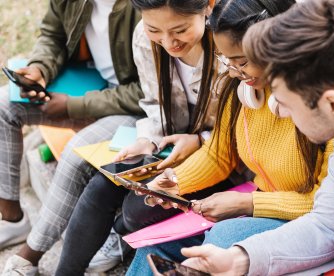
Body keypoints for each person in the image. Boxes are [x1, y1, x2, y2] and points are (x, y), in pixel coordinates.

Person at [180, 0, 334, 275]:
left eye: (285, 102)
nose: (281, 111)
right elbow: (326, 225)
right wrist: (240, 260)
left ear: (333, 105)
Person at [126, 0, 334, 275]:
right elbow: (217, 154)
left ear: (278, 45)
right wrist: (177, 182)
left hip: (306, 221)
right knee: (154, 246)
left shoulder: (322, 106)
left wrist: (247, 204)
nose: (234, 71)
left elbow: (328, 207)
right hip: (262, 204)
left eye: (242, 62)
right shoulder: (240, 89)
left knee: (224, 236)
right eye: (227, 60)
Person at [53, 0, 239, 274]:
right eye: (155, 29)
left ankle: (121, 234)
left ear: (208, 6)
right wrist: (149, 140)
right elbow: (153, 101)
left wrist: (200, 140)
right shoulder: (143, 37)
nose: (168, 42)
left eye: (180, 29)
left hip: (219, 158)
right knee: (102, 185)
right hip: (169, 146)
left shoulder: (229, 48)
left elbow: (242, 128)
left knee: (136, 210)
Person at [1, 0, 143, 274]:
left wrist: (73, 106)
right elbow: (52, 35)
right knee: (4, 105)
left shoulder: (143, 8)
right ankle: (12, 218)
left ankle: (29, 257)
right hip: (91, 84)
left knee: (76, 152)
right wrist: (40, 69)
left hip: (135, 107)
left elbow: (148, 91)